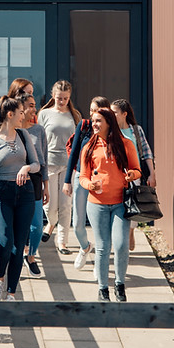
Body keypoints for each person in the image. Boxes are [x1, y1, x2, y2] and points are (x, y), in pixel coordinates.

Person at [79, 108, 141, 302]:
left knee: (121, 245)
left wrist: (132, 174)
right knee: (103, 247)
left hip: (120, 203)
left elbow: (137, 169)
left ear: (108, 122)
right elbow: (82, 176)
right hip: (96, 204)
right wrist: (90, 184)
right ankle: (103, 289)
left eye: (98, 121)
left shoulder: (126, 144)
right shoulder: (88, 147)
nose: (94, 124)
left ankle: (120, 284)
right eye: (93, 121)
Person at [0, 96, 40, 301]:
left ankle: (11, 293)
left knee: (19, 246)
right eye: (21, 112)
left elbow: (36, 164)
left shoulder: (24, 135)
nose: (24, 115)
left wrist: (26, 167)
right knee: (5, 241)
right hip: (2, 194)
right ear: (10, 114)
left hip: (25, 193)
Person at [63, 96, 111, 270]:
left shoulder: (111, 132)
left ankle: (100, 266)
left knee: (101, 226)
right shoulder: (84, 126)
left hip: (101, 181)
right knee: (77, 224)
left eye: (96, 111)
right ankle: (85, 247)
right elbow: (74, 154)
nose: (92, 115)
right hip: (81, 178)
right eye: (91, 110)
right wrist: (67, 180)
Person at [38, 80, 81, 254]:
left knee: (65, 205)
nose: (62, 101)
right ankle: (51, 223)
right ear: (53, 96)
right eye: (59, 98)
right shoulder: (44, 114)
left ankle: (62, 242)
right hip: (48, 164)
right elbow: (38, 139)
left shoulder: (74, 115)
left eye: (65, 98)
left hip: (68, 164)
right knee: (49, 205)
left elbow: (78, 140)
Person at [110, 99, 156, 251]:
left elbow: (146, 152)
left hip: (134, 174)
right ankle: (118, 238)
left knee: (133, 206)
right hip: (115, 176)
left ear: (124, 114)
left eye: (115, 112)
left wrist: (152, 174)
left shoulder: (136, 130)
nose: (112, 114)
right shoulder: (110, 130)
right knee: (117, 207)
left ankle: (130, 231)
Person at [18, 92, 49, 278]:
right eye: (31, 105)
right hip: (15, 181)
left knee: (37, 226)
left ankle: (30, 255)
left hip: (36, 181)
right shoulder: (10, 132)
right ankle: (19, 255)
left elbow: (43, 160)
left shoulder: (39, 130)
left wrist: (46, 186)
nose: (34, 109)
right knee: (17, 225)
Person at [0, 78, 34, 144]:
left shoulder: (30, 113)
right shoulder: (0, 111)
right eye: (29, 93)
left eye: (32, 93)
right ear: (17, 93)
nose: (31, 96)